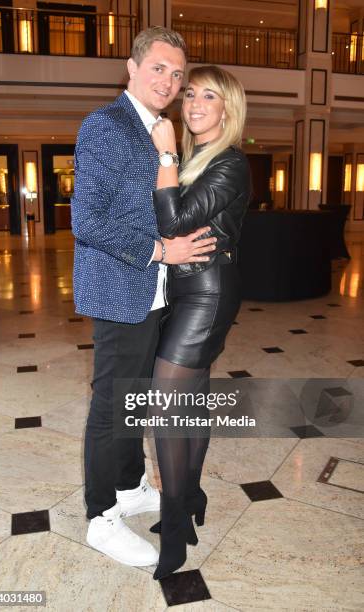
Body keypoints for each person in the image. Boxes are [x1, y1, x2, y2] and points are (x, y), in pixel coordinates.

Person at [70, 27, 217, 569]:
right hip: (120, 286)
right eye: (159, 68)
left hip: (154, 290)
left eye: (178, 74)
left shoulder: (161, 129)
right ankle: (100, 515)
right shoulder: (105, 126)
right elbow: (87, 221)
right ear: (131, 70)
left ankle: (129, 485)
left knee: (134, 397)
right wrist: (160, 251)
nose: (170, 81)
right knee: (112, 403)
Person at [148, 65, 251, 579]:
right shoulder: (199, 160)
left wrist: (166, 154)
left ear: (227, 110)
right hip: (188, 291)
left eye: (209, 96)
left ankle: (174, 523)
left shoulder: (230, 164)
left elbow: (172, 223)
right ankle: (190, 500)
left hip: (207, 296)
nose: (193, 103)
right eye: (190, 94)